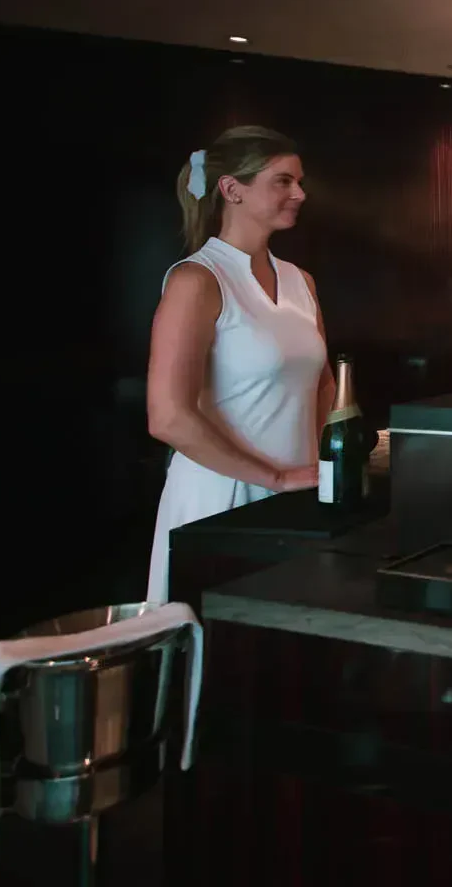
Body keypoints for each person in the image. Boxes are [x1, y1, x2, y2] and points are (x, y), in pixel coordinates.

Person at [146, 126, 333, 603]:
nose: (300, 194)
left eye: (299, 181)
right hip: (220, 500)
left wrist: (313, 468)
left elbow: (323, 385)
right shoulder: (197, 280)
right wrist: (275, 477)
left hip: (295, 497)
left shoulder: (301, 281)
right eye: (283, 181)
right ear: (232, 189)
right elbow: (167, 417)